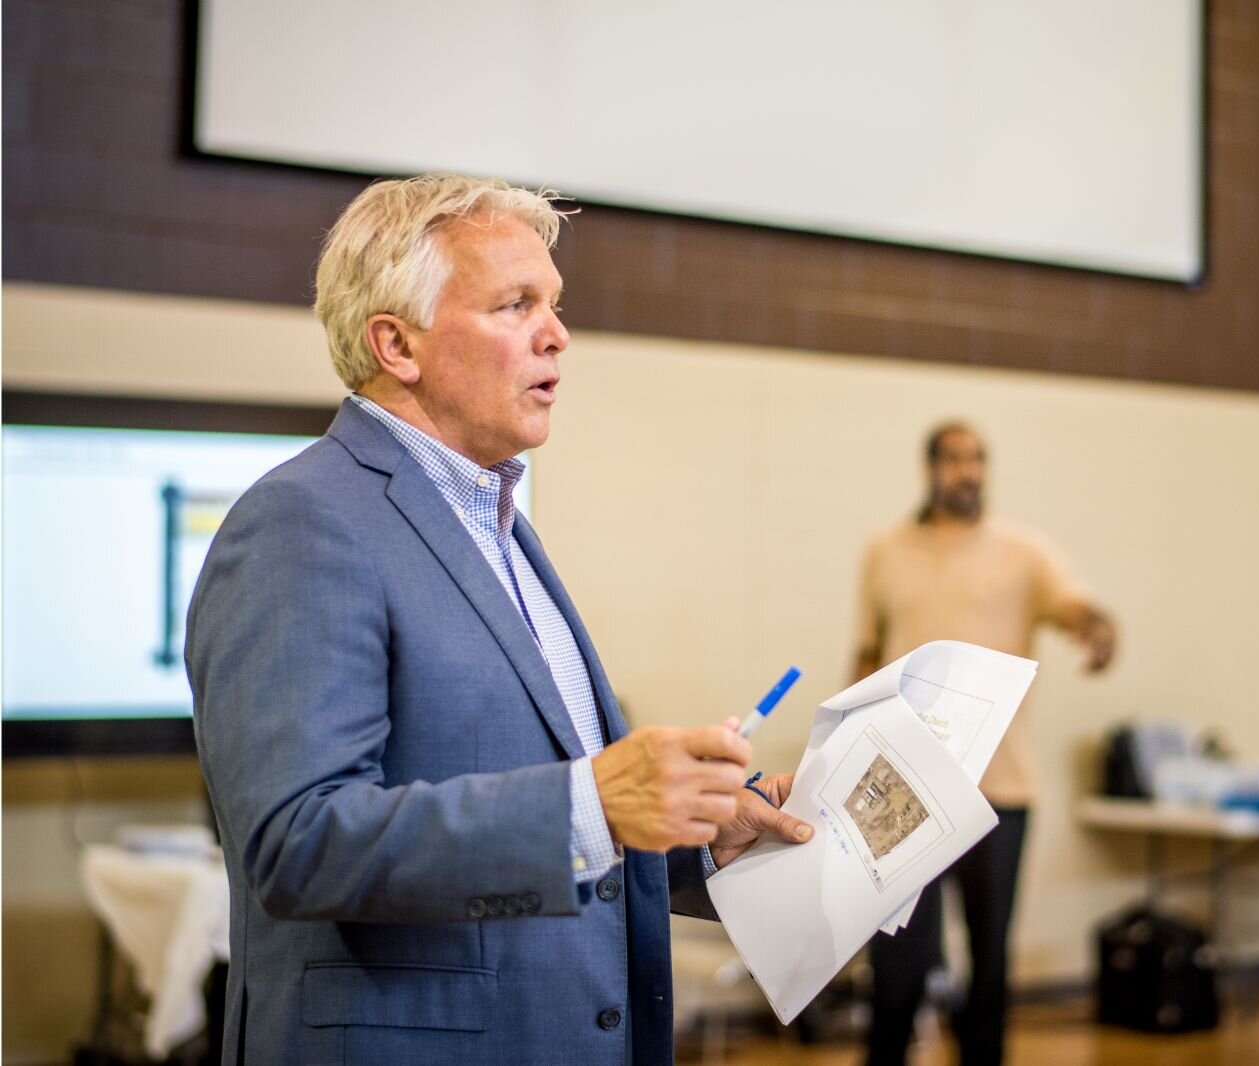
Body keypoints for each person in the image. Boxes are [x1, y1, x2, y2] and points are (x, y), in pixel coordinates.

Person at [186, 173, 811, 1066]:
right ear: (397, 344)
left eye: (554, 305)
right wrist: (594, 801)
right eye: (516, 305)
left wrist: (701, 844)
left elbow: (551, 836)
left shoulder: (503, 529)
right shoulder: (302, 522)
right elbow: (299, 843)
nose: (557, 334)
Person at [853, 422, 1115, 1066]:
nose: (967, 472)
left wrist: (1098, 628)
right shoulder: (885, 551)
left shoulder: (1024, 553)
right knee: (898, 960)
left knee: (990, 957)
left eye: (977, 461)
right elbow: (865, 655)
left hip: (1000, 786)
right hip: (904, 788)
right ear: (930, 469)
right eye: (954, 460)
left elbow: (1075, 607)